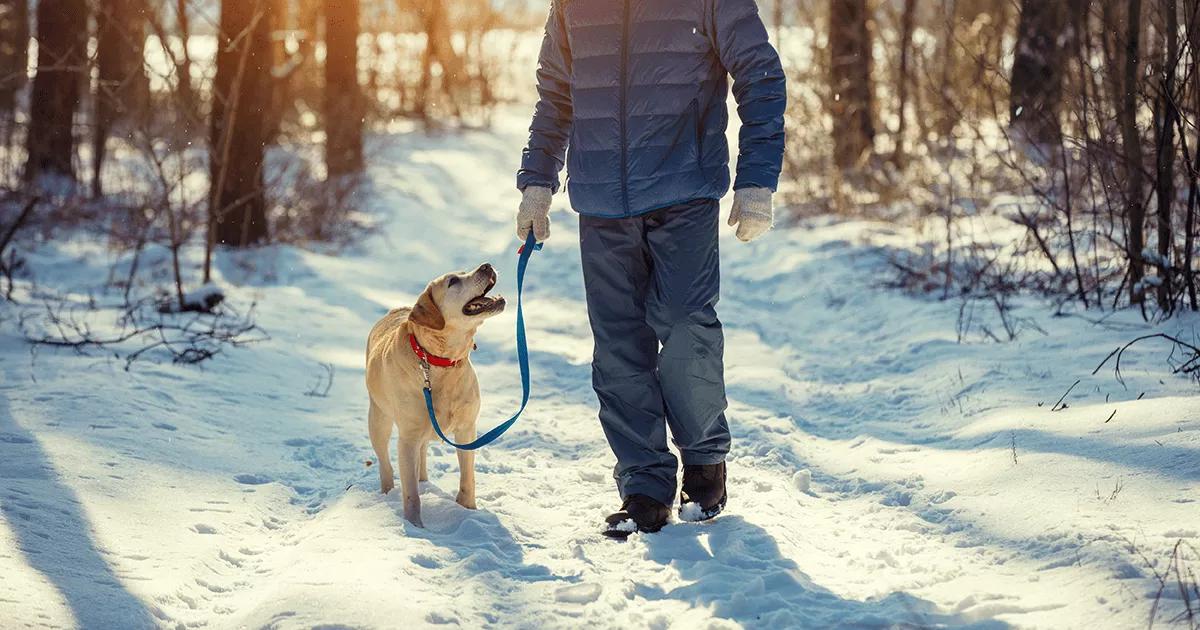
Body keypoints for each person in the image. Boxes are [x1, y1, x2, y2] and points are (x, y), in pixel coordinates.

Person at [515, 0, 786, 538]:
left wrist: (757, 179)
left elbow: (759, 73)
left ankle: (705, 458)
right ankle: (644, 485)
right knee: (618, 346)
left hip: (683, 189)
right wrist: (538, 180)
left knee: (686, 325)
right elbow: (556, 94)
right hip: (600, 202)